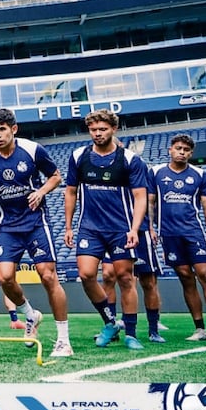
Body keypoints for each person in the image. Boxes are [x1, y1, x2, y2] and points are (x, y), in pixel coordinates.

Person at [0, 108, 71, 356]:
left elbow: (56, 176)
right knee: (4, 276)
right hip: (8, 224)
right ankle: (31, 316)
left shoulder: (32, 150)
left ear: (13, 129)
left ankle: (63, 340)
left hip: (35, 221)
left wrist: (41, 192)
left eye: (2, 130)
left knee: (47, 276)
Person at [63, 109, 149, 350]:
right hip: (90, 228)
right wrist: (68, 226)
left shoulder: (130, 159)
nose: (98, 134)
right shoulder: (79, 156)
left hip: (121, 228)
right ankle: (110, 322)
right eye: (93, 130)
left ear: (114, 129)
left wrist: (134, 228)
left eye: (102, 129)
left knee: (124, 278)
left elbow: (140, 197)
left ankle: (131, 333)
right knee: (87, 274)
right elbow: (71, 192)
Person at [149, 135, 206, 343]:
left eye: (186, 150)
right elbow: (151, 202)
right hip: (168, 234)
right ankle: (200, 329)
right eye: (178, 148)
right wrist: (150, 228)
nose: (182, 152)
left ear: (191, 153)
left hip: (193, 233)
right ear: (170, 149)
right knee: (186, 279)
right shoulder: (156, 172)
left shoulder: (199, 174)